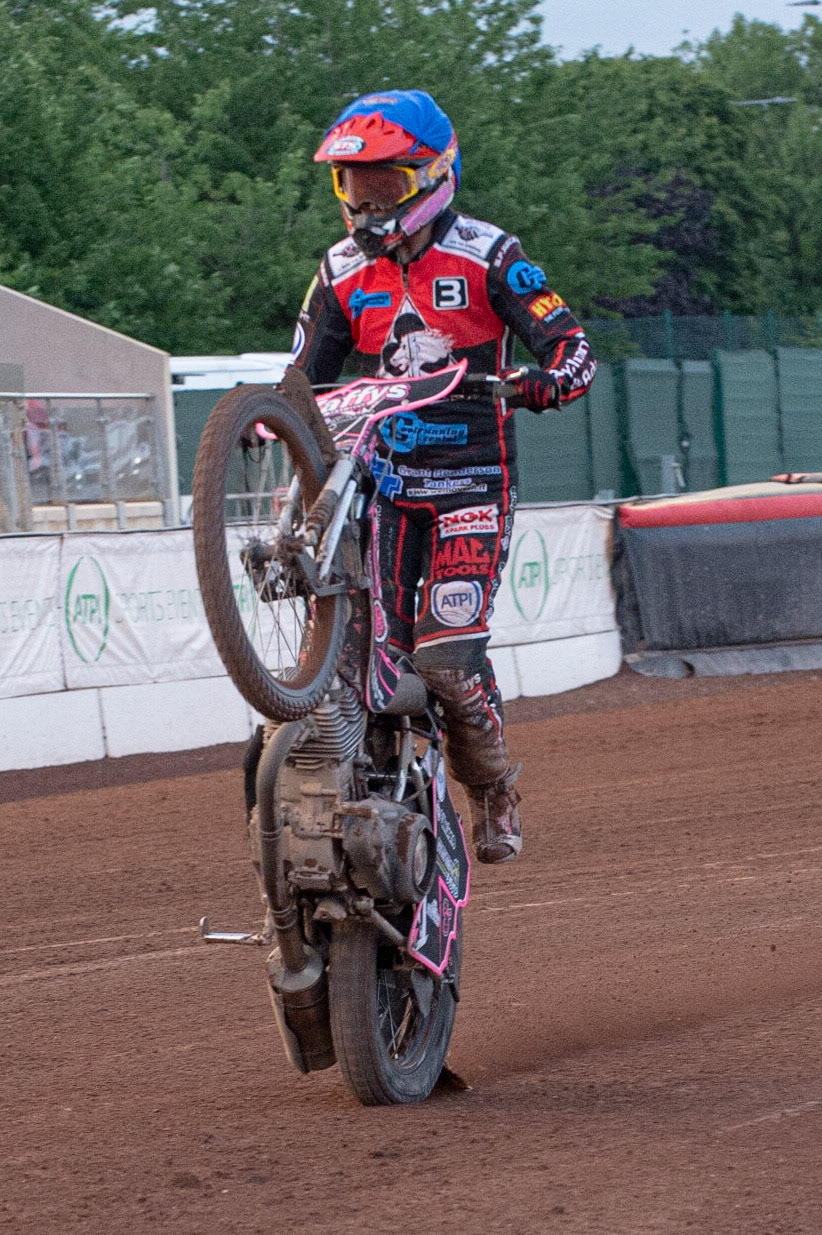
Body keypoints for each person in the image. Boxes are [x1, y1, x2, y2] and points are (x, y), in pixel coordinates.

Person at [290, 89, 597, 863]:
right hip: (383, 483)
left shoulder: (490, 254)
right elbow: (301, 384)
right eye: (354, 186)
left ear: (434, 175)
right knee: (359, 665)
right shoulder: (339, 271)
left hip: (471, 481)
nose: (366, 203)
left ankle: (490, 785)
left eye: (386, 185)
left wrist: (541, 382)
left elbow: (574, 348)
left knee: (447, 660)